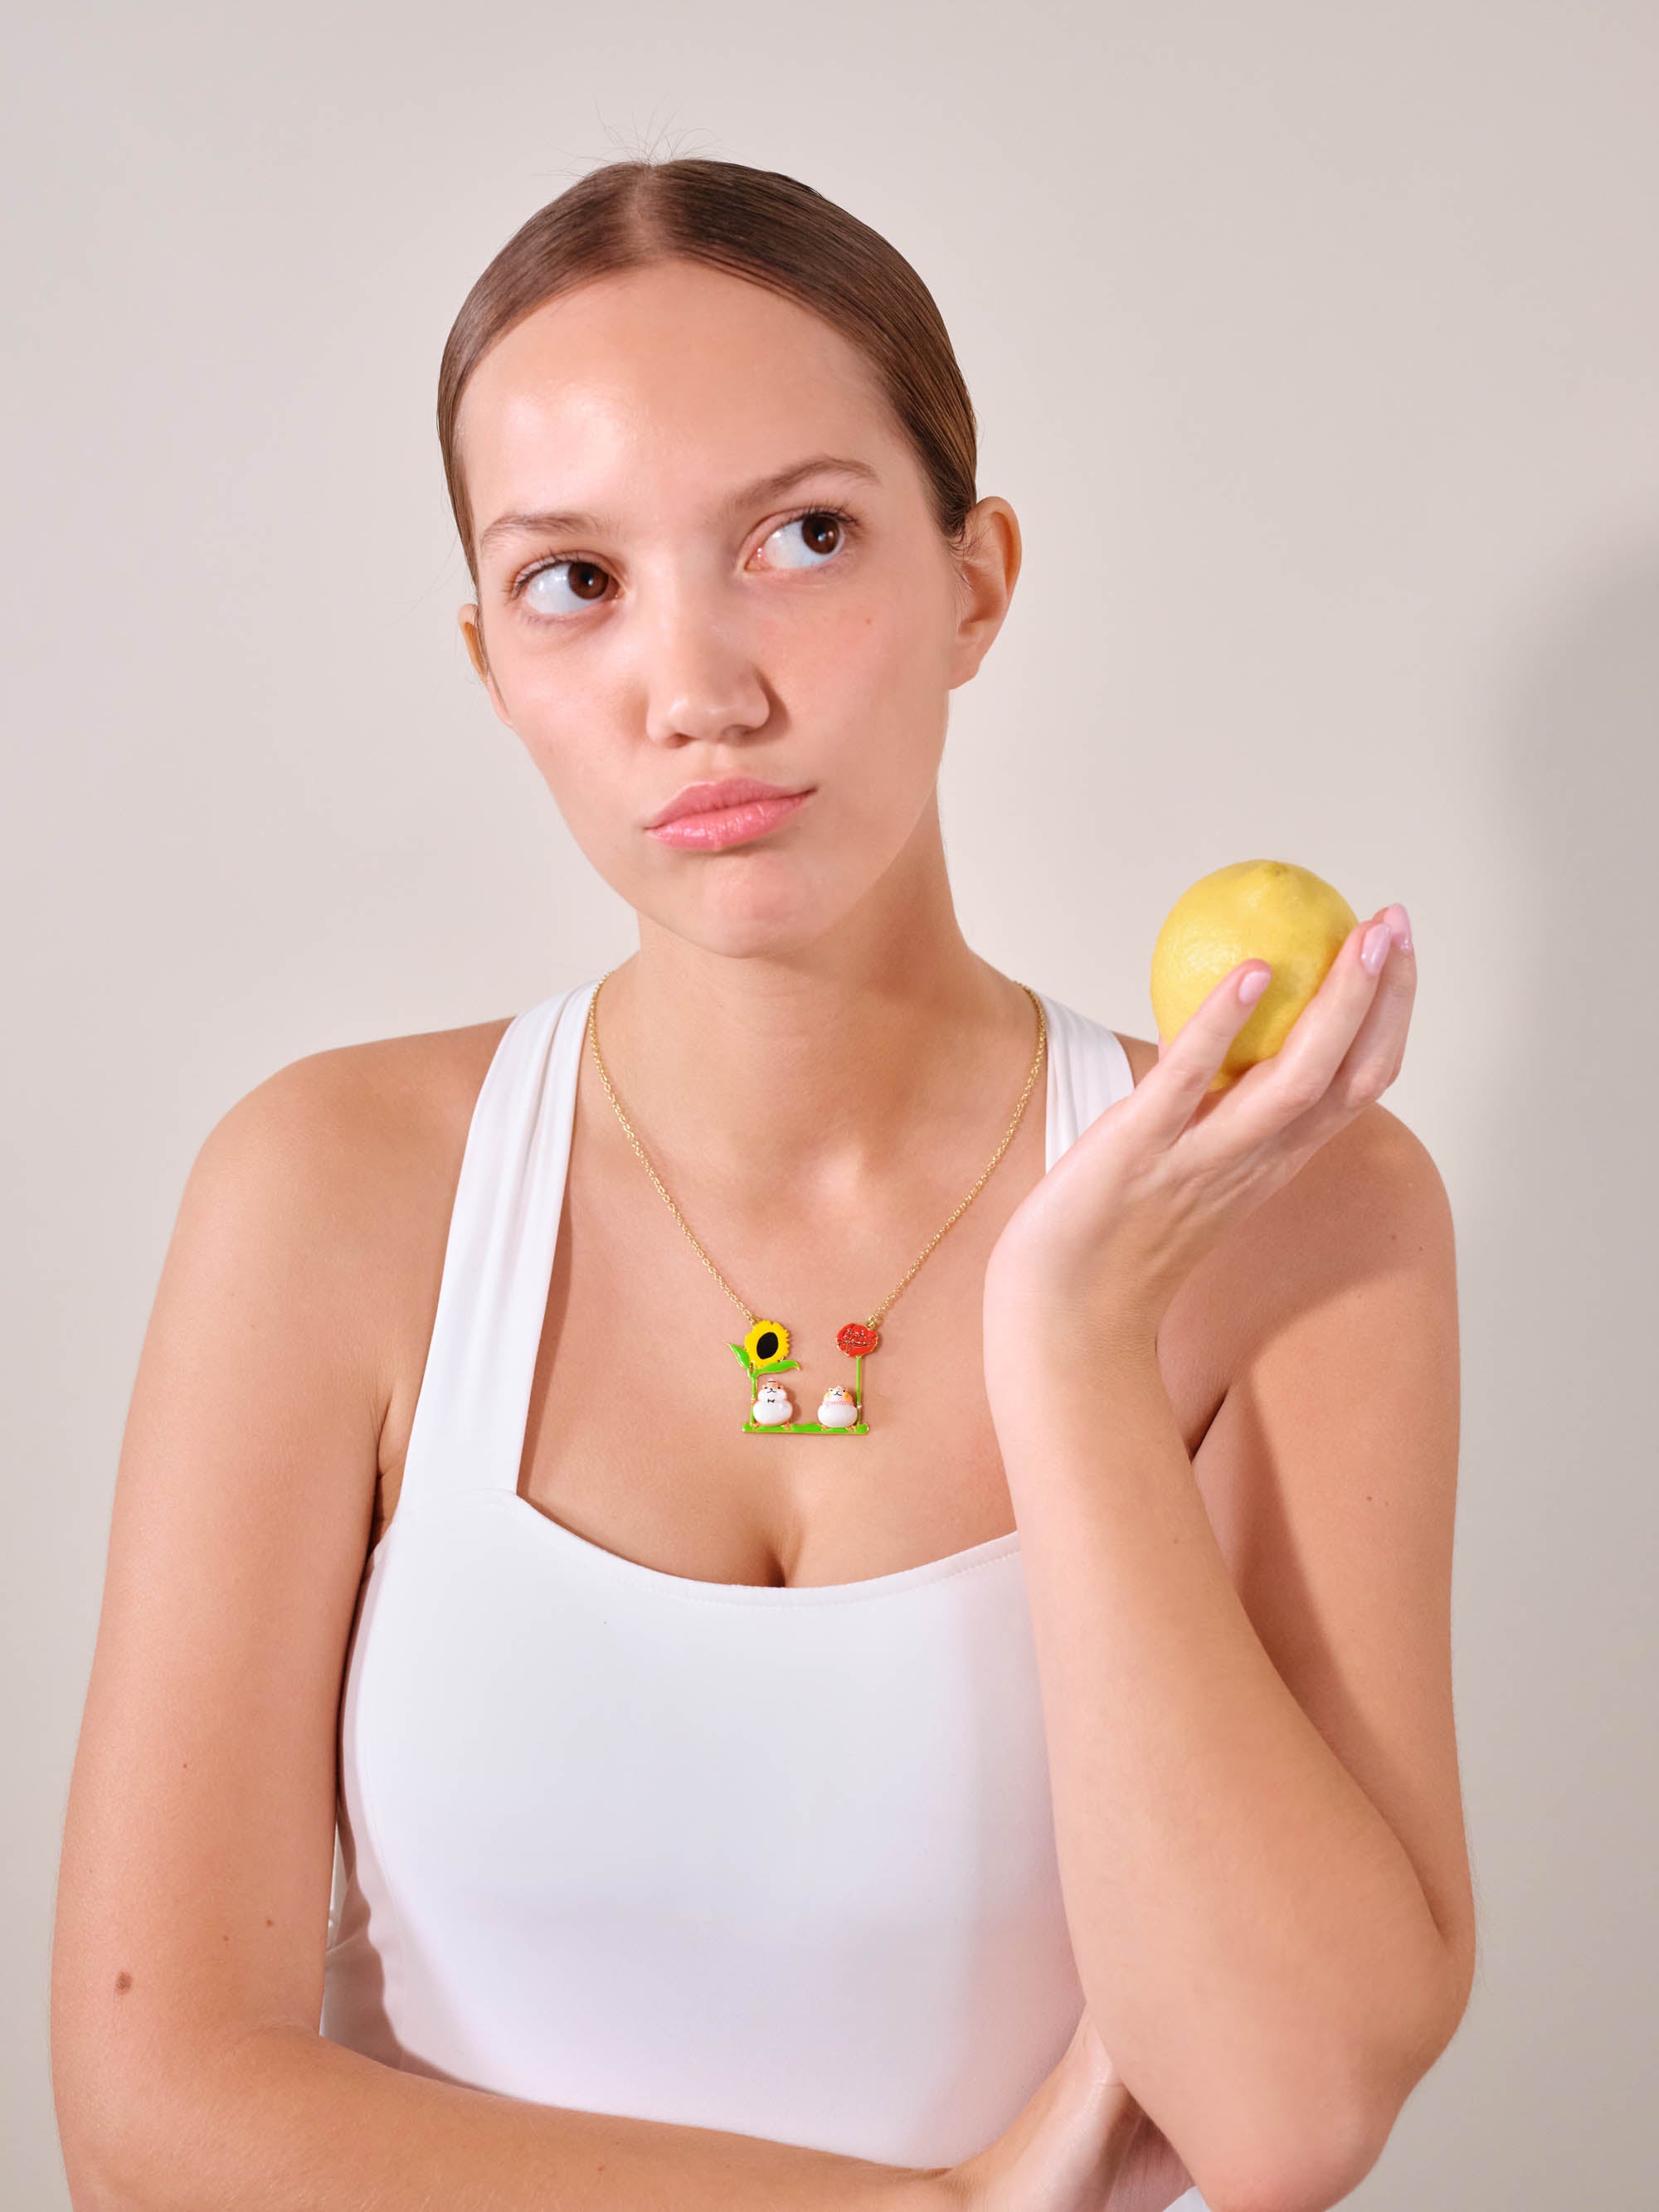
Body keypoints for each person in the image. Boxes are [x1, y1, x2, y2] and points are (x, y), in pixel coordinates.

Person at [49, 156, 1473, 2212]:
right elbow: (156, 2118)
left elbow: (1286, 2109)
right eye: (576, 582)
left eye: (802, 537)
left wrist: (1072, 1350)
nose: (698, 683)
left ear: (977, 577)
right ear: (487, 662)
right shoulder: (329, 1195)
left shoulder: (1296, 1207)